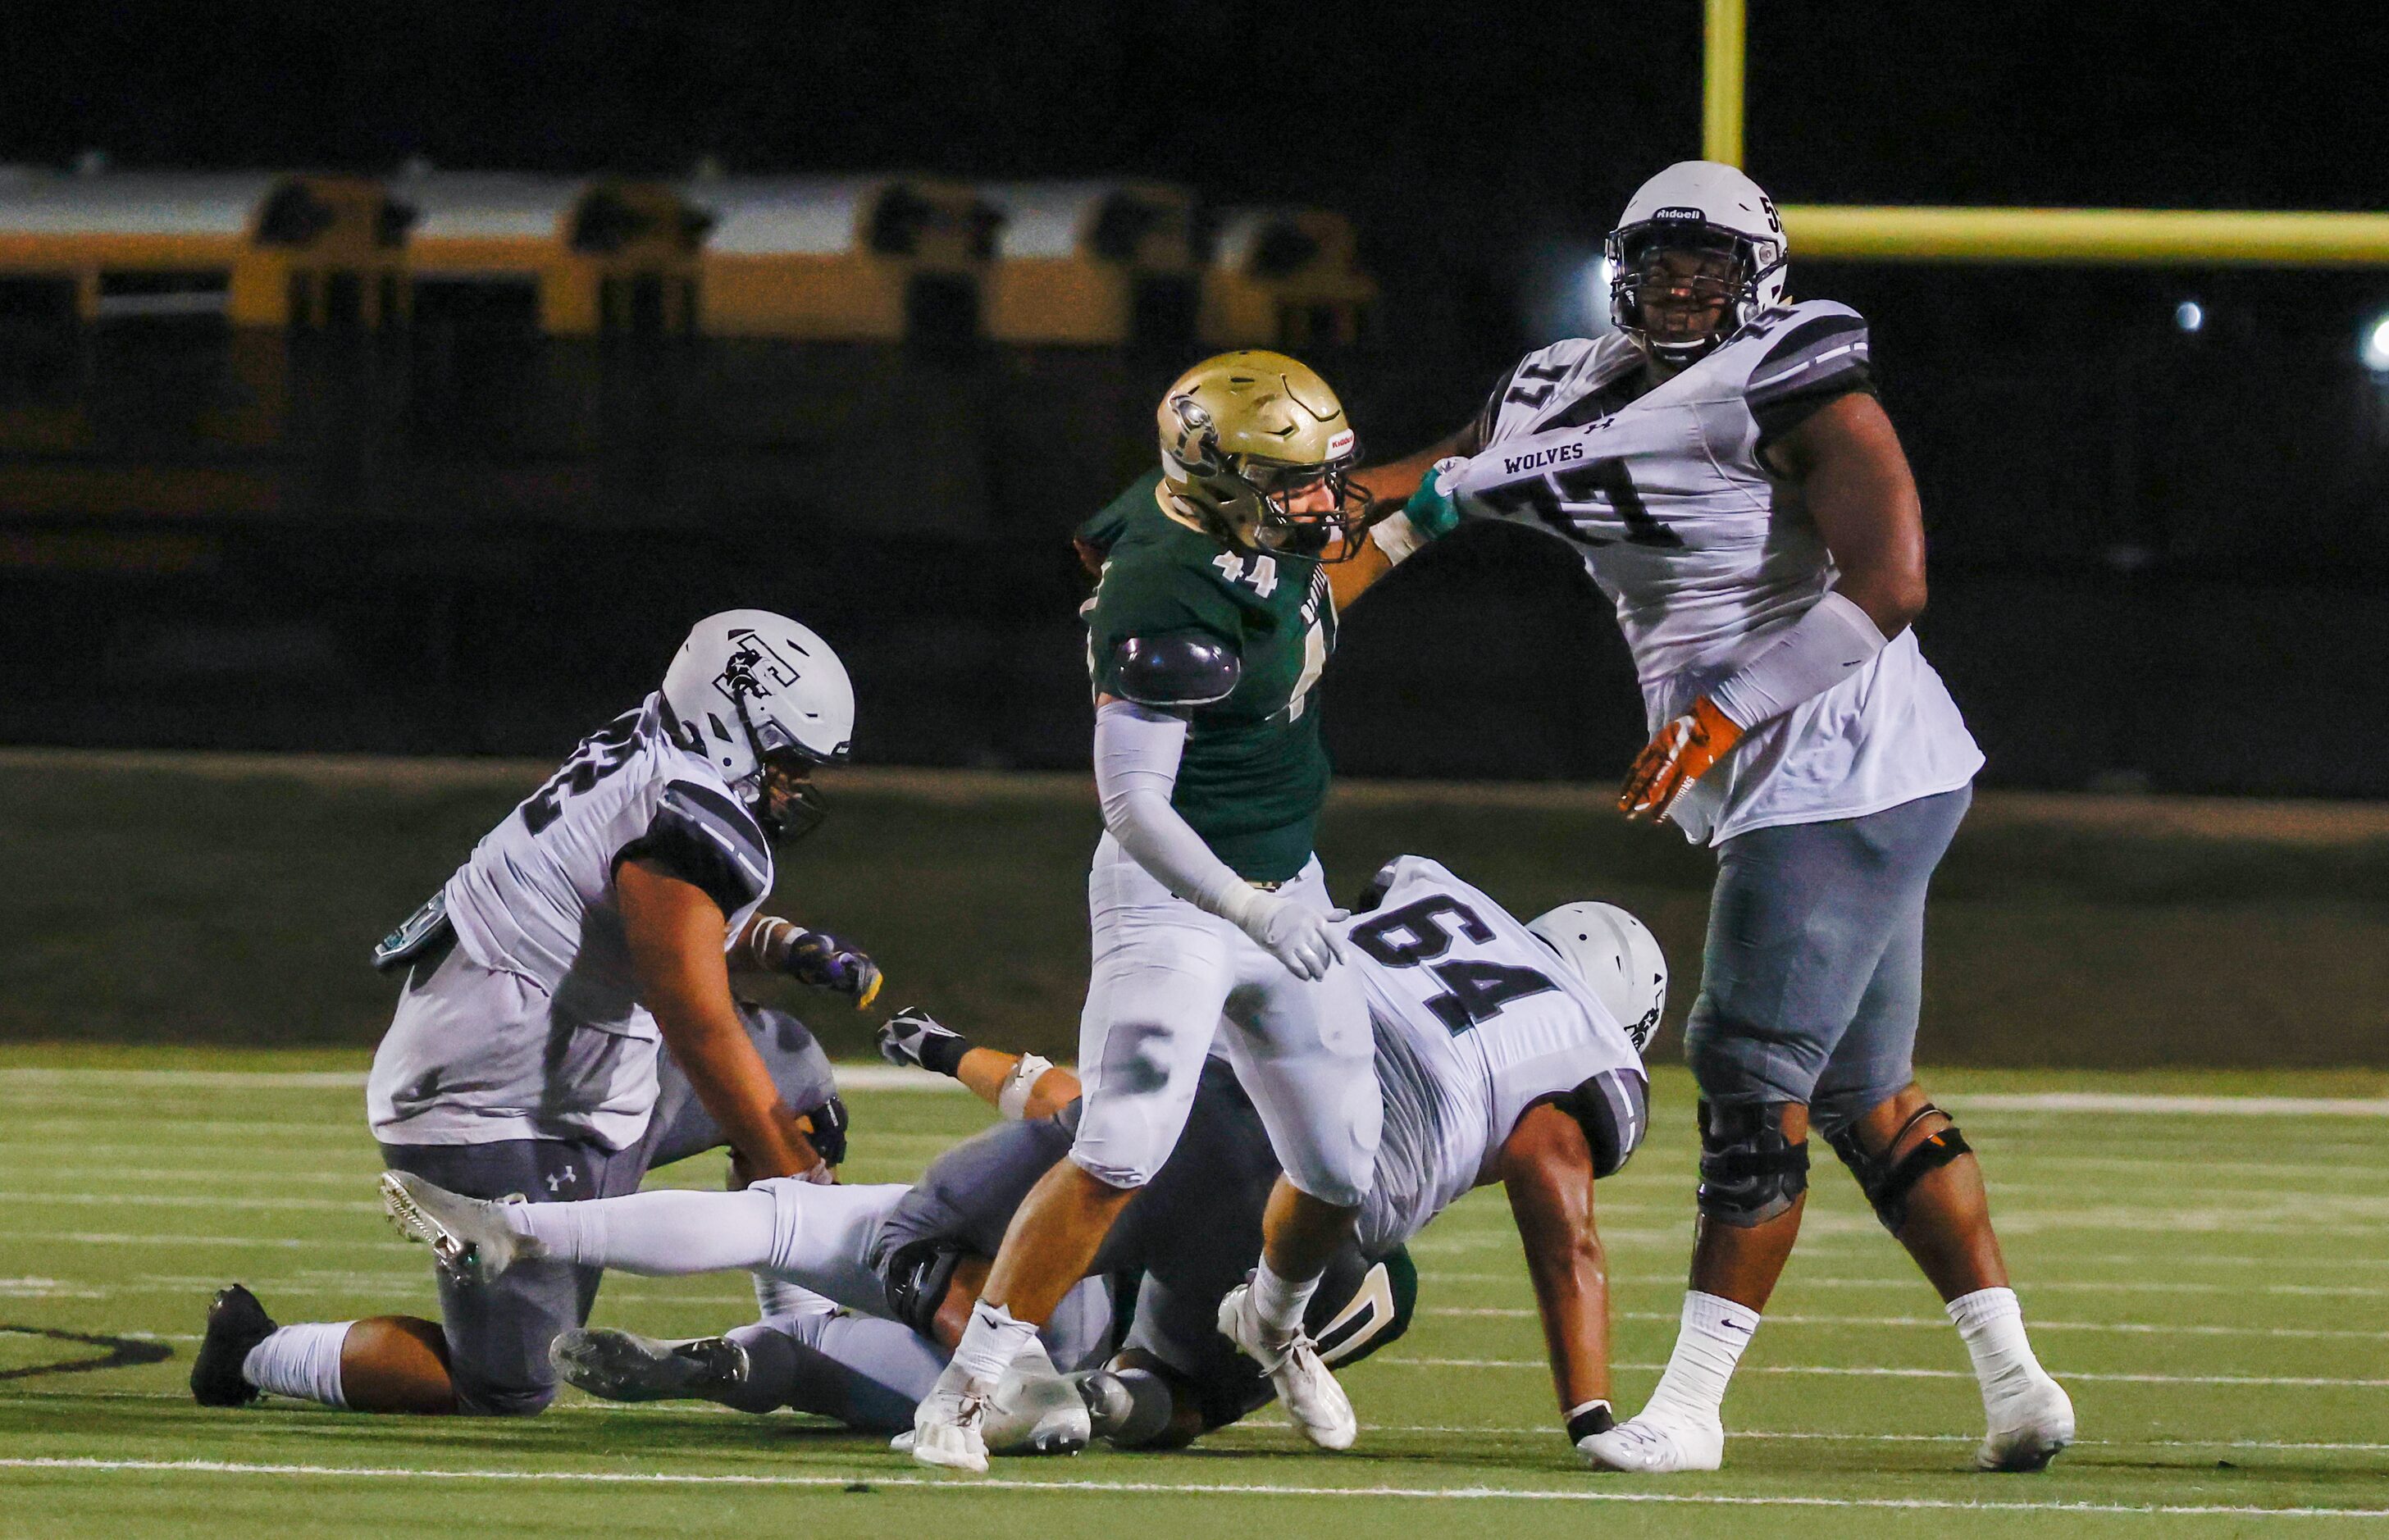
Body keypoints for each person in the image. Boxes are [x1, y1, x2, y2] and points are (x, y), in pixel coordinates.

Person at [1361, 162, 2073, 1476]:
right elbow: (1423, 490)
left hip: (1843, 755)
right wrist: (1271, 517)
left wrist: (1722, 712)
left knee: (1747, 1066)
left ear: (1760, 276)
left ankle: (1691, 1405)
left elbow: (1891, 579)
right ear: (1622, 265)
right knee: (1865, 1093)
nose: (1682, 283)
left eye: (1709, 261)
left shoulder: (1792, 370)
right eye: (1660, 257)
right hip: (1792, 769)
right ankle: (2017, 1382)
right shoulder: (1551, 384)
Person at [380, 855, 1659, 1463]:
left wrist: (949, 1054)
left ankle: (547, 1240)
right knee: (1196, 1366)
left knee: (863, 1230)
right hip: (1256, 1251)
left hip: (1112, 1204)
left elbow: (1077, 1098)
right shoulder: (1467, 1136)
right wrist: (1592, 1415)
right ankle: (1013, 1390)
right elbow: (1556, 1198)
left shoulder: (1398, 937)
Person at [910, 350, 1464, 1471]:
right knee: (1120, 1146)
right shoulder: (1165, 591)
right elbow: (1132, 805)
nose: (1325, 502)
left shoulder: (1251, 536)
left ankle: (1267, 1318)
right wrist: (1251, 913)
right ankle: (964, 1390)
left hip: (1285, 877)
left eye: (1327, 475)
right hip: (1176, 893)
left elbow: (1308, 608)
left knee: (1339, 1168)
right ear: (1222, 487)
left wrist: (1428, 516)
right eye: (1297, 484)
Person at [189, 610, 884, 1417]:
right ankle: (254, 1352)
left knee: (790, 1068)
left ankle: (806, 1337)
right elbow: (693, 1016)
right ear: (733, 721)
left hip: (569, 1064)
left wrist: (779, 942)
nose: (790, 785)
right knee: (505, 1384)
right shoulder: (686, 810)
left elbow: (639, 934)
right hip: (495, 1106)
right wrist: (797, 1181)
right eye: (786, 761)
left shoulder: (649, 751)